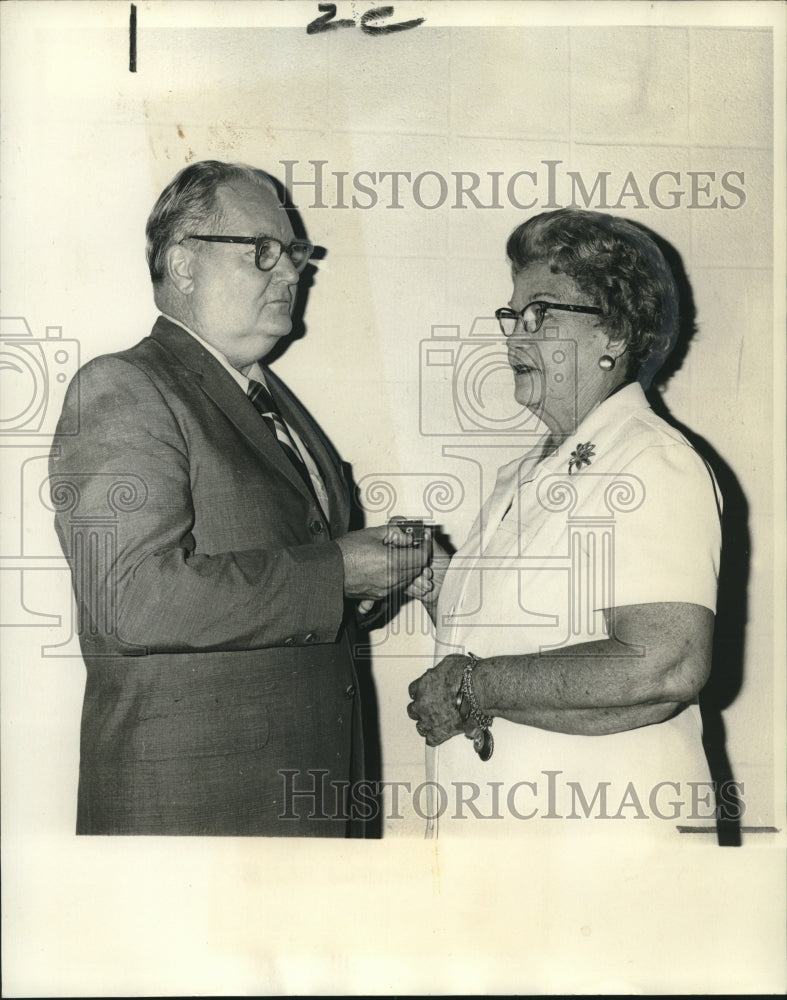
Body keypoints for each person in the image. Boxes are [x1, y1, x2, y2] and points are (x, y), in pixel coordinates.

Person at [49, 160, 429, 836]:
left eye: (295, 254)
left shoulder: (272, 401)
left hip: (309, 800)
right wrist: (336, 570)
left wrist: (361, 583)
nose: (291, 273)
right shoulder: (124, 388)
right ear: (183, 264)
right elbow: (133, 603)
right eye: (263, 252)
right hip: (194, 811)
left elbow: (275, 581)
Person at [407, 208, 723, 840]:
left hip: (602, 842)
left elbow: (665, 663)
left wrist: (476, 685)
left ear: (615, 335)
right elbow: (522, 632)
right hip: (511, 839)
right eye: (513, 316)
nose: (514, 338)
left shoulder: (651, 461)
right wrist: (437, 580)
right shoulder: (527, 471)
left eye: (541, 314)